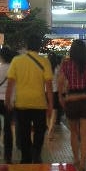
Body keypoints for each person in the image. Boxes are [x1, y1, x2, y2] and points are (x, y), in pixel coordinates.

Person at [5, 34, 53, 164]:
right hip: (39, 104)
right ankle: (36, 153)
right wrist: (50, 104)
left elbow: (10, 83)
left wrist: (7, 100)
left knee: (24, 132)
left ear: (27, 46)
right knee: (40, 131)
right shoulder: (44, 62)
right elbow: (49, 85)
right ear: (39, 46)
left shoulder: (17, 60)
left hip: (22, 103)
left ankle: (25, 158)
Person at [58, 39, 86, 171]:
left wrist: (61, 97)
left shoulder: (66, 64)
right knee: (85, 135)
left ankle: (76, 158)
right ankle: (83, 163)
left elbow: (60, 82)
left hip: (71, 100)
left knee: (74, 132)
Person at [46, 52, 62, 139]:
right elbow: (60, 81)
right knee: (54, 112)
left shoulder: (45, 67)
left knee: (47, 112)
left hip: (45, 91)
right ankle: (50, 130)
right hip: (55, 92)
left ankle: (49, 127)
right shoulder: (58, 68)